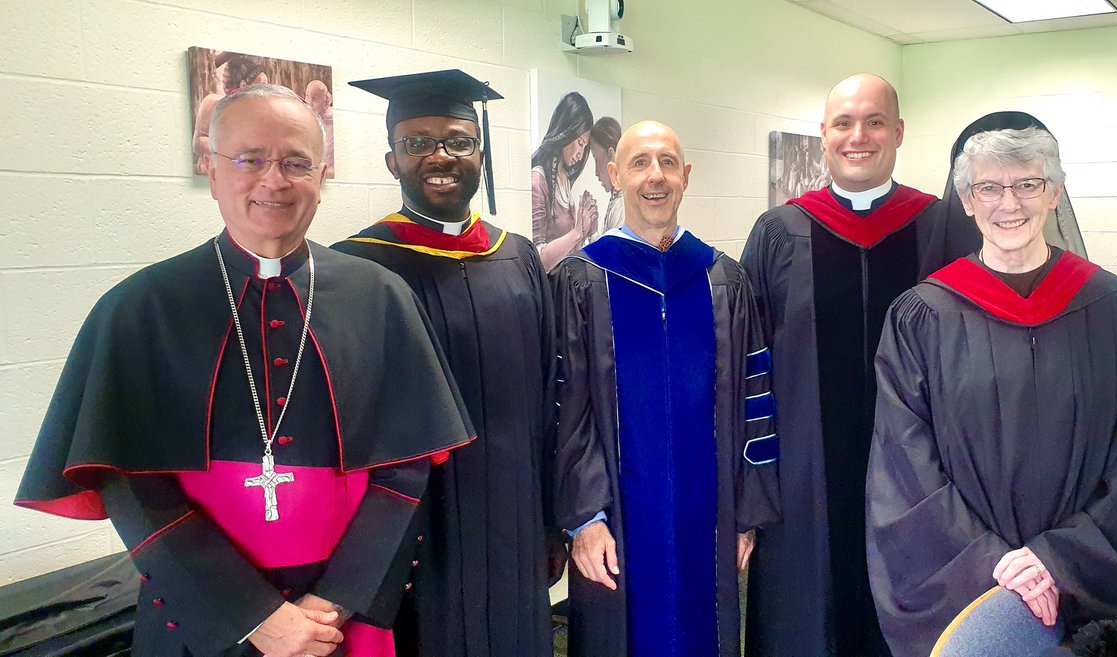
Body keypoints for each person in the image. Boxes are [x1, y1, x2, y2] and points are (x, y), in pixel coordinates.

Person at [13, 84, 475, 657]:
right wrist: (253, 616)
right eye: (250, 159)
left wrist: (332, 604)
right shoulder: (140, 308)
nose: (273, 180)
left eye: (296, 162)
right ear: (210, 170)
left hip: (343, 618)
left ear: (323, 175)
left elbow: (405, 469)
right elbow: (130, 482)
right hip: (201, 617)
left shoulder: (380, 296)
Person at [866, 126, 1117, 657]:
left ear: (1055, 193)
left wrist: (1056, 561)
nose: (1009, 203)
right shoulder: (922, 317)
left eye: (1029, 184)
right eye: (988, 188)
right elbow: (905, 467)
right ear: (966, 200)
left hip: (1088, 580)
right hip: (971, 578)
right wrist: (996, 565)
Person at [740, 72, 980, 657]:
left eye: (874, 122)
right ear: (824, 135)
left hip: (921, 475)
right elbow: (746, 365)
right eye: (843, 124)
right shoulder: (779, 231)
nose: (858, 136)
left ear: (899, 133)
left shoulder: (944, 227)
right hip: (804, 478)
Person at [333, 69, 560, 657]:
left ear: (479, 153)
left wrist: (551, 519)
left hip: (514, 510)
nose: (440, 156)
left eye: (458, 141)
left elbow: (548, 391)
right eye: (417, 143)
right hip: (413, 524)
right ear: (392, 161)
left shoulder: (518, 258)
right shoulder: (357, 269)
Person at [552, 120, 780, 657]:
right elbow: (566, 410)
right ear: (614, 176)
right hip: (616, 525)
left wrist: (746, 514)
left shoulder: (723, 279)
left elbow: (756, 397)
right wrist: (584, 518)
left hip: (713, 511)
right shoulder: (582, 280)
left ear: (686, 176)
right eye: (639, 163)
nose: (655, 177)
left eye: (668, 163)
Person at [532, 91, 599, 271]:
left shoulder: (565, 180)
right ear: (565, 133)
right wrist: (577, 232)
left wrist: (587, 231)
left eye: (585, 146)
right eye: (579, 142)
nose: (580, 152)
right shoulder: (538, 181)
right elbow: (538, 259)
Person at [588, 116, 624, 233]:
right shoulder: (617, 199)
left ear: (611, 154)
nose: (596, 173)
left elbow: (613, 250)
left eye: (596, 159)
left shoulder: (623, 204)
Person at [305, 79, 335, 177]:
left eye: (314, 99)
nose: (308, 102)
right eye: (307, 96)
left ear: (326, 101)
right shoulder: (304, 119)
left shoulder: (333, 119)